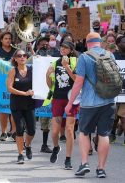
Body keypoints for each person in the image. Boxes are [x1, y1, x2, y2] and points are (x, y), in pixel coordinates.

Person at [66, 32, 117, 178]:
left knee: (84, 133)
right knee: (104, 134)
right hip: (108, 101)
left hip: (89, 103)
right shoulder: (110, 55)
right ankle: (101, 169)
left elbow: (78, 83)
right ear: (99, 42)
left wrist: (70, 103)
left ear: (87, 43)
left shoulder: (84, 57)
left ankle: (84, 163)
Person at [45, 40, 78, 170]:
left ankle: (68, 159)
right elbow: (50, 85)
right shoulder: (55, 62)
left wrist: (67, 67)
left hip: (72, 99)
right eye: (61, 48)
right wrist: (47, 74)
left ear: (70, 50)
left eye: (65, 48)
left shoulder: (76, 61)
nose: (62, 50)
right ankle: (56, 147)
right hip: (57, 98)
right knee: (54, 132)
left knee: (69, 130)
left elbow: (76, 79)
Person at [7, 49, 36, 164]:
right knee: (19, 130)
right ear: (15, 58)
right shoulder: (13, 71)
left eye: (24, 55)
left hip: (29, 104)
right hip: (17, 104)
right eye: (19, 56)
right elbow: (9, 88)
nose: (22, 57)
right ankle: (20, 154)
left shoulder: (32, 70)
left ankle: (27, 145)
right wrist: (24, 93)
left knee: (32, 130)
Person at [0, 31, 17, 142]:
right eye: (5, 38)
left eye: (9, 38)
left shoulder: (15, 51)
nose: (8, 40)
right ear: (1, 40)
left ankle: (14, 131)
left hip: (14, 83)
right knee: (3, 109)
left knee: (13, 109)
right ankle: (3, 132)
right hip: (1, 84)